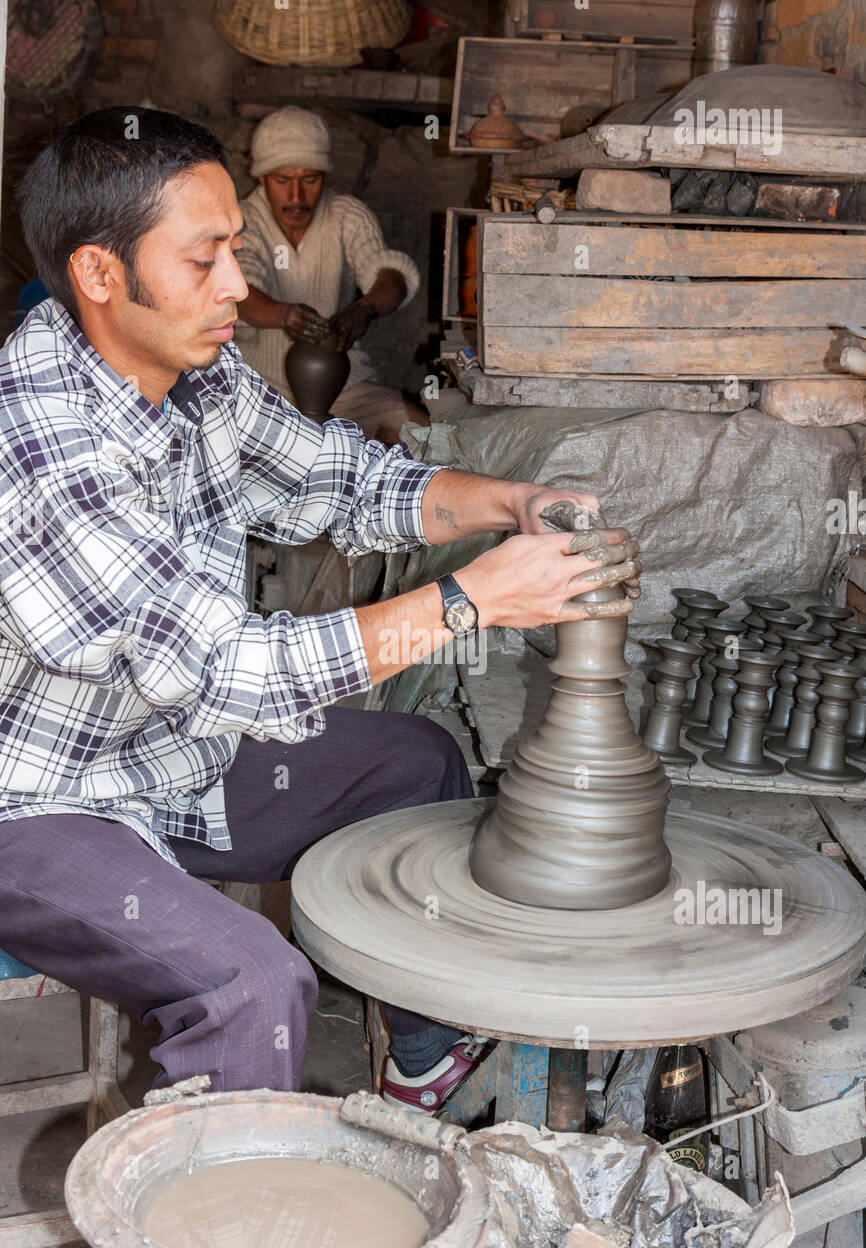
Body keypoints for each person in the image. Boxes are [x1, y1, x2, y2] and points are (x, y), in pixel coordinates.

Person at [0, 107, 640, 1112]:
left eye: (235, 255)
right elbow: (232, 668)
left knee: (417, 762)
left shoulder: (192, 375)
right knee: (250, 983)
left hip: (172, 751)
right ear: (98, 273)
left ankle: (418, 1055)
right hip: (38, 800)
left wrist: (503, 502)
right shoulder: (42, 447)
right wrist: (473, 598)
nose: (235, 290)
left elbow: (344, 479)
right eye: (205, 259)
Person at [234, 106, 426, 445]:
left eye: (309, 180)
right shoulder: (242, 220)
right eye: (283, 180)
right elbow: (241, 291)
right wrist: (285, 315)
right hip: (255, 385)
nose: (296, 196)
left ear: (324, 176)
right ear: (262, 177)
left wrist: (366, 307)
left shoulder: (345, 214)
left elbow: (388, 272)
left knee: (417, 432)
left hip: (340, 387)